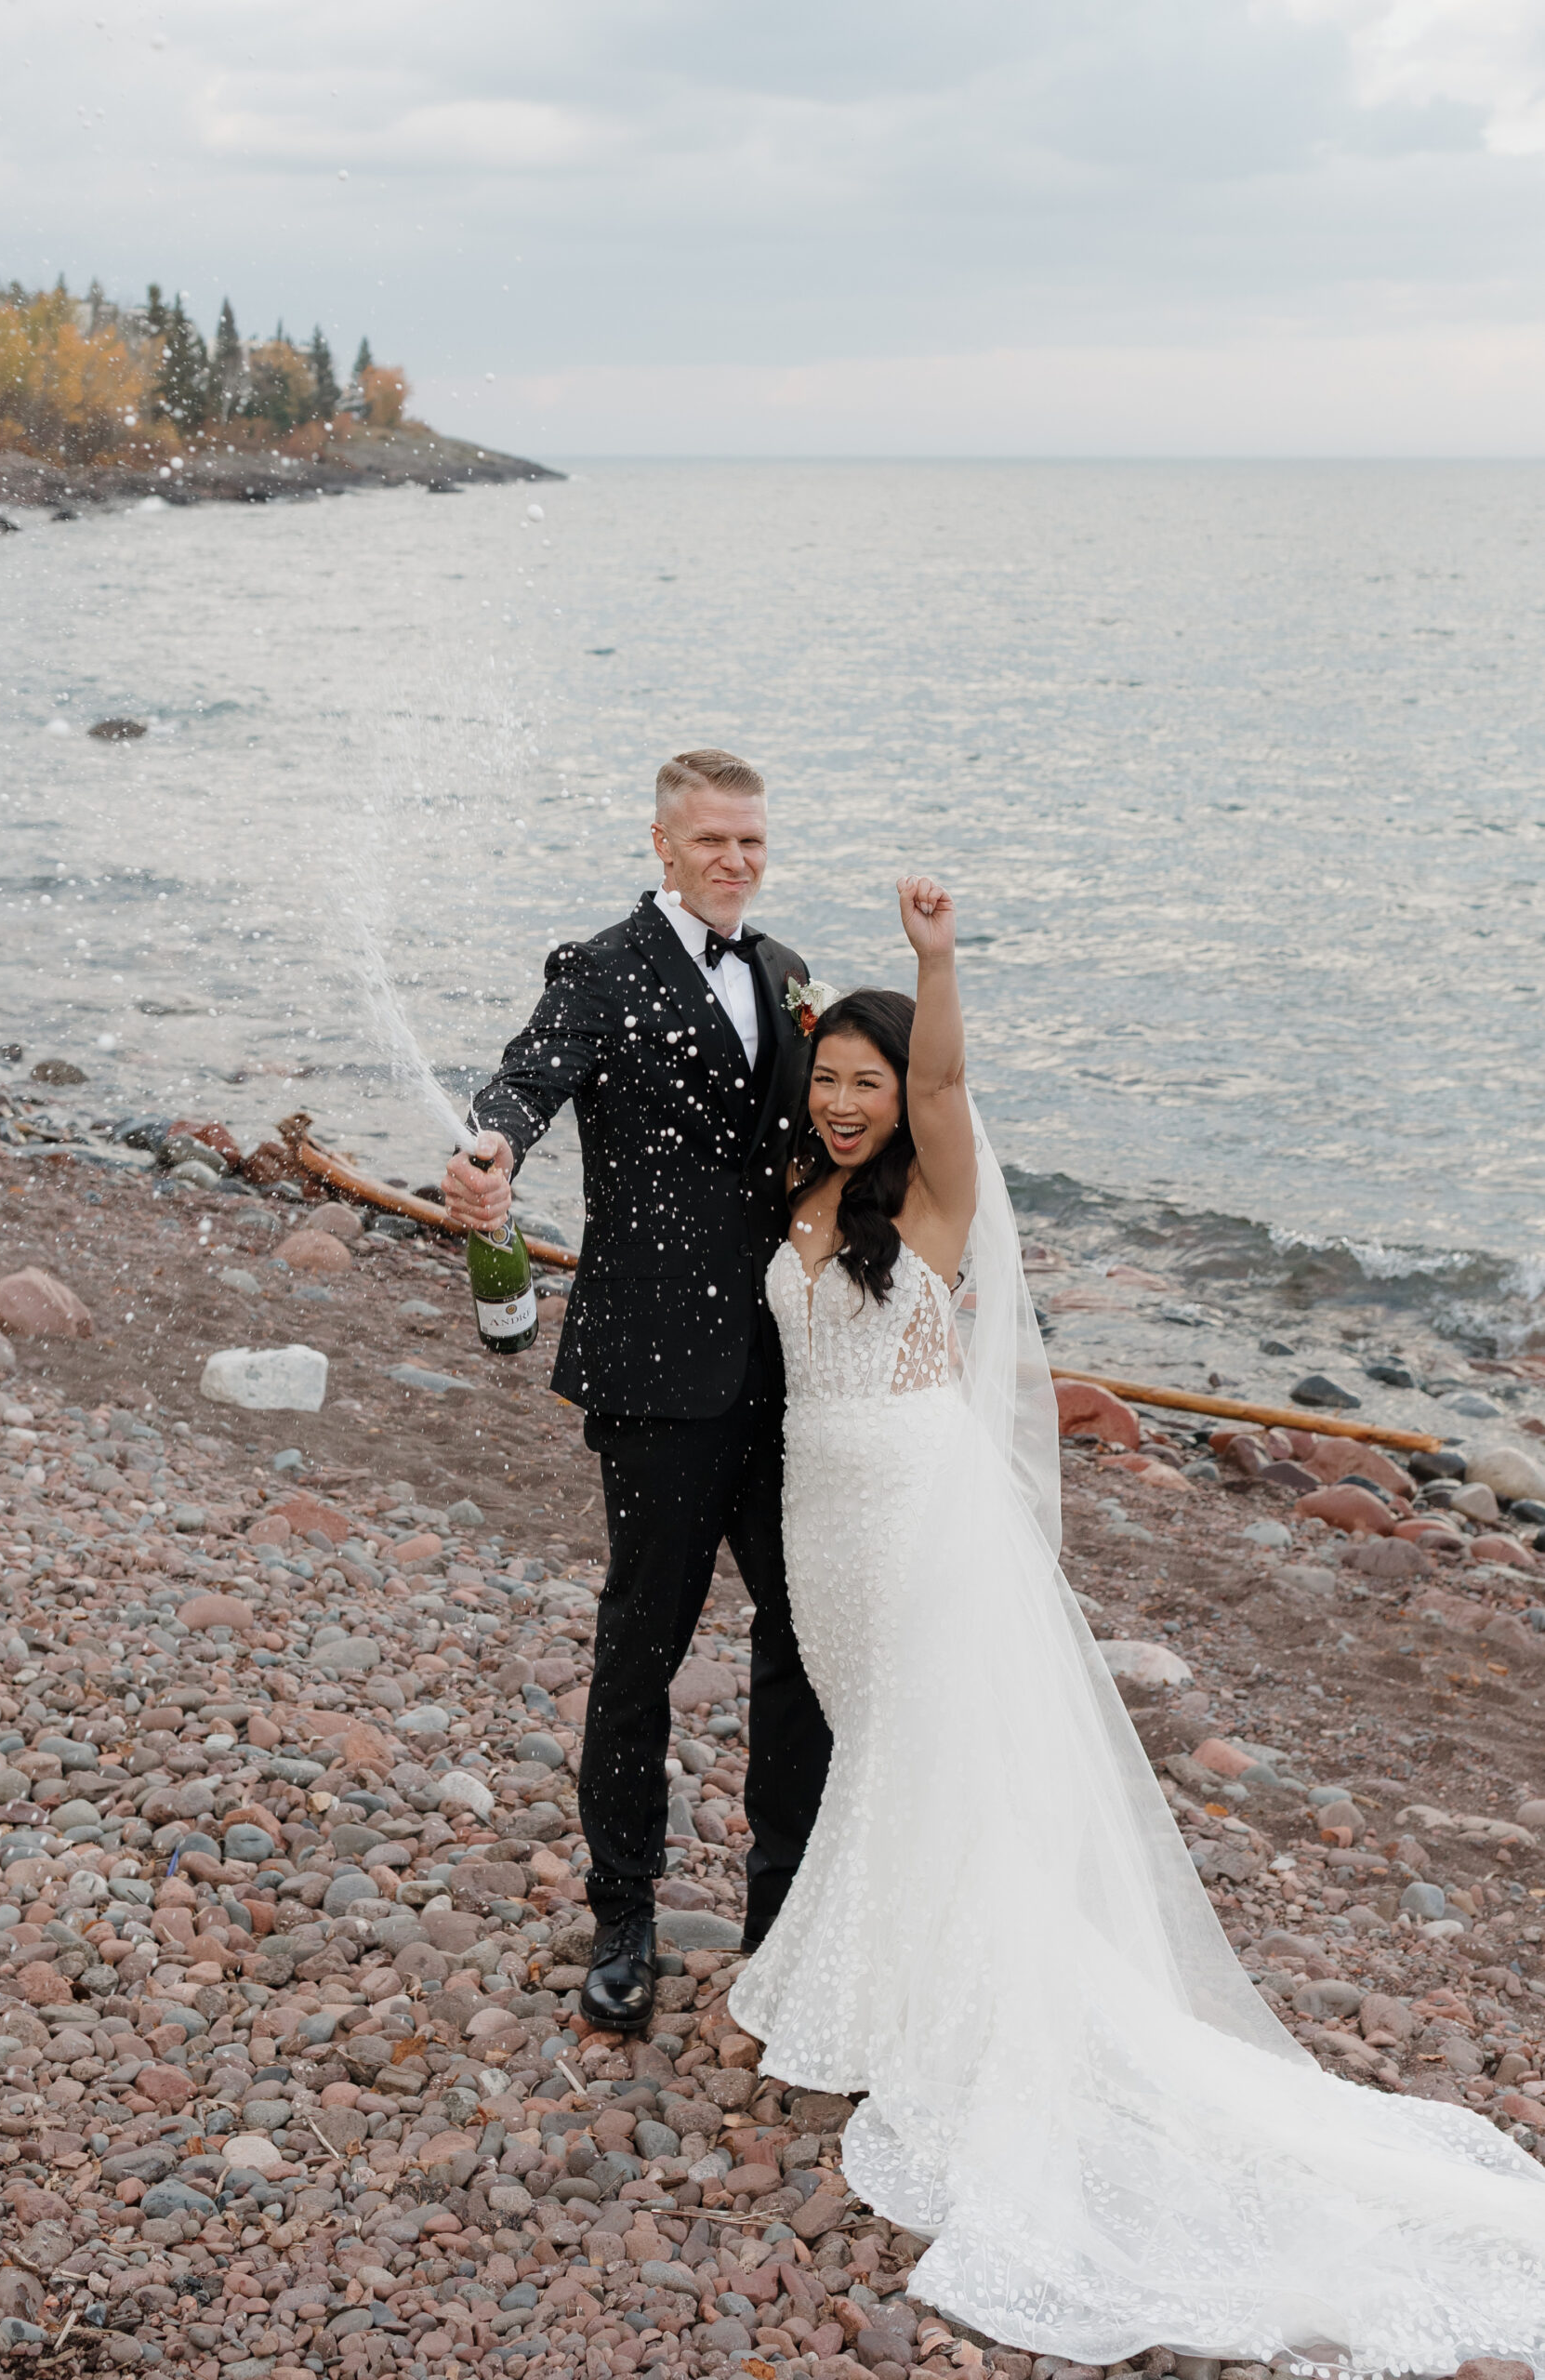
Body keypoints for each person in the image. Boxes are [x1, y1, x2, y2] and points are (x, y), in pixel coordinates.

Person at [729, 874, 1545, 2372]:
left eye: (870, 1083)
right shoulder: (799, 1192)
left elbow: (949, 1073)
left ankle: (956, 2017)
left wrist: (933, 959)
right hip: (818, 1513)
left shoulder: (934, 1195)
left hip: (916, 1507)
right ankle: (898, 1981)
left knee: (926, 1750)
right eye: (830, 1080)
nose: (849, 1104)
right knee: (885, 1754)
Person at [443, 747, 831, 2036]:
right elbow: (521, 1087)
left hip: (785, 1366)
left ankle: (782, 1915)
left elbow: (830, 1135)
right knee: (642, 1641)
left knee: (802, 1638)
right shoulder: (599, 971)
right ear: (660, 844)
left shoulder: (784, 976)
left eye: (753, 843)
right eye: (712, 840)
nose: (735, 861)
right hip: (657, 1369)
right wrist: (488, 1154)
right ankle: (625, 1913)